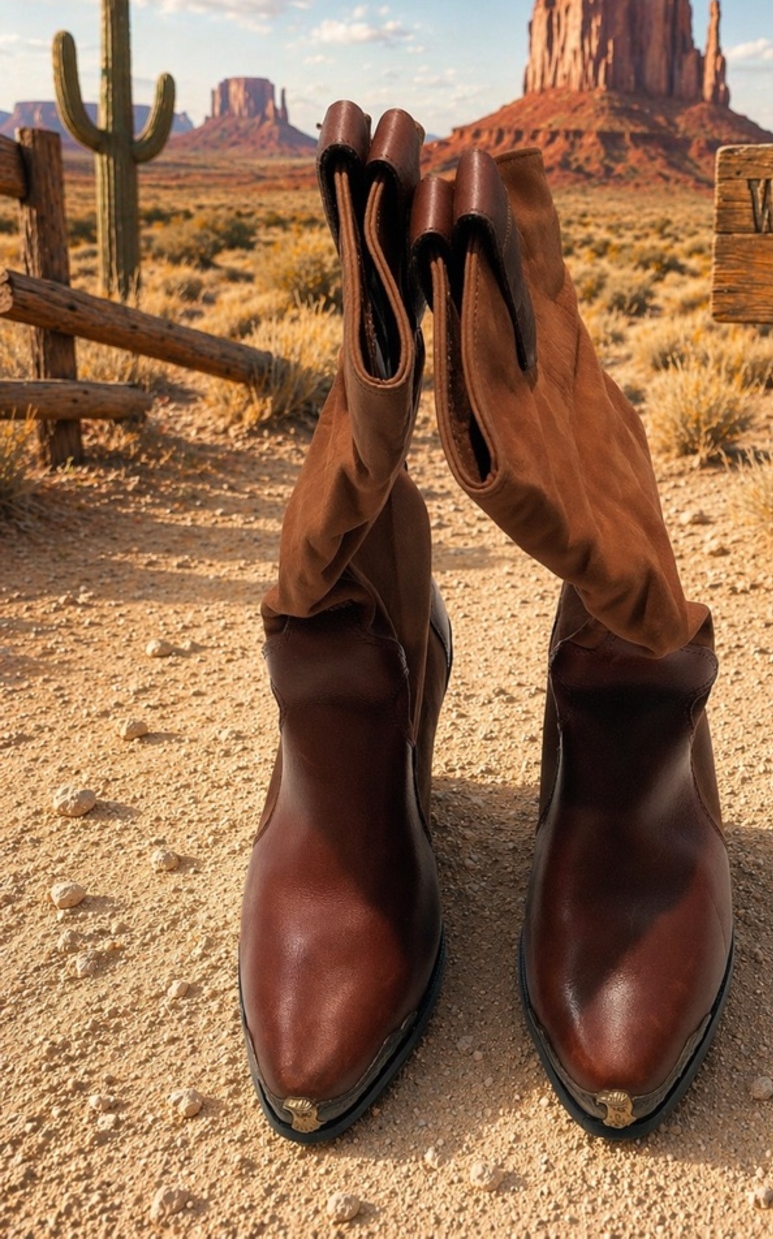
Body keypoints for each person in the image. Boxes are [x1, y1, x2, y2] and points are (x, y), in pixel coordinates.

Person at [238, 101, 733, 1142]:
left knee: (549, 459)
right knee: (346, 465)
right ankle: (360, 679)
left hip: (630, 691)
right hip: (352, 679)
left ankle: (623, 701)